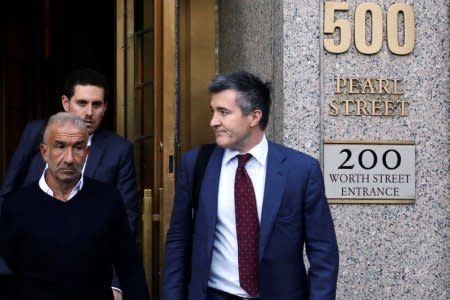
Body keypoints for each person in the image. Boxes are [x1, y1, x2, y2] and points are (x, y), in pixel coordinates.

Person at [163, 70, 339, 299]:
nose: (213, 121)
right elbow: (179, 239)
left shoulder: (301, 170)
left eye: (223, 112)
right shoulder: (195, 164)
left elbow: (323, 251)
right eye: (213, 111)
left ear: (254, 117)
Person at [0, 68, 138, 298]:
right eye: (82, 103)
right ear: (66, 102)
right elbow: (8, 191)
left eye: (96, 105)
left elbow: (125, 223)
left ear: (105, 108)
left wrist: (114, 284)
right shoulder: (36, 132)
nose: (88, 112)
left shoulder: (119, 150)